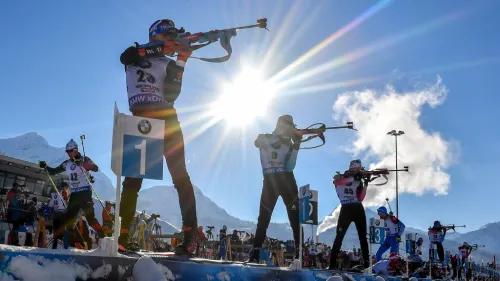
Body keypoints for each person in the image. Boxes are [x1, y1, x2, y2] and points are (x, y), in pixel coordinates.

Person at [118, 19, 197, 255]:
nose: (172, 39)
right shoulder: (136, 55)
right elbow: (125, 57)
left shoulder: (169, 63)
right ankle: (122, 236)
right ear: (156, 36)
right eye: (168, 36)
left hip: (167, 118)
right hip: (142, 118)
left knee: (180, 176)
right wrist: (164, 49)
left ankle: (190, 237)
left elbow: (172, 94)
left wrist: (182, 60)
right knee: (132, 180)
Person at [247, 115, 303, 263]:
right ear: (280, 125)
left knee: (295, 218)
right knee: (263, 218)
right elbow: (257, 142)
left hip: (287, 180)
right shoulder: (265, 137)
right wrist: (282, 138)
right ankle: (255, 253)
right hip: (270, 180)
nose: (290, 128)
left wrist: (296, 145)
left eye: (291, 125)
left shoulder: (289, 142)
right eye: (288, 125)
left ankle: (300, 253)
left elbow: (290, 166)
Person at [39, 139, 105, 248]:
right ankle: (74, 242)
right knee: (69, 219)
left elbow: (96, 168)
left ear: (76, 150)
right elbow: (54, 171)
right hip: (74, 194)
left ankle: (103, 236)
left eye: (70, 151)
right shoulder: (67, 163)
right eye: (67, 151)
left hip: (85, 192)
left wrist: (88, 166)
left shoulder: (84, 159)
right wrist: (45, 166)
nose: (68, 153)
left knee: (90, 218)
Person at [328, 159, 370, 270]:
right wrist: (354, 177)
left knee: (363, 237)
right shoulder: (340, 177)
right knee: (339, 237)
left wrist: (365, 184)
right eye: (356, 169)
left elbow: (360, 198)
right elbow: (336, 182)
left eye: (358, 169)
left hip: (357, 208)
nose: (357, 171)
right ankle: (332, 264)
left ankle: (367, 265)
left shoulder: (358, 180)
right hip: (346, 208)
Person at [48, 182, 69, 249]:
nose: (67, 189)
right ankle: (58, 248)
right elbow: (66, 203)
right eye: (67, 188)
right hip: (62, 214)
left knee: (56, 231)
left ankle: (54, 246)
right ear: (65, 187)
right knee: (61, 232)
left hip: (56, 214)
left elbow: (50, 205)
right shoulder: (64, 192)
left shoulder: (54, 194)